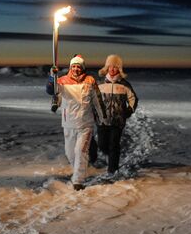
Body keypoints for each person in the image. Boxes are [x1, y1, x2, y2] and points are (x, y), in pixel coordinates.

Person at [47, 54, 106, 190]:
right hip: (69, 123)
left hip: (86, 124)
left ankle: (78, 180)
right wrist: (52, 76)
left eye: (78, 66)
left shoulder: (90, 80)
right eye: (73, 66)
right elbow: (51, 90)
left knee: (81, 151)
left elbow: (97, 100)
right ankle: (79, 170)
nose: (76, 69)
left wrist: (103, 117)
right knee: (70, 153)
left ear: (82, 68)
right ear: (70, 67)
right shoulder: (61, 81)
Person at [96, 54, 138, 175]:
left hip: (118, 121)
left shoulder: (124, 84)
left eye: (116, 67)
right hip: (102, 120)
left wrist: (128, 112)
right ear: (107, 68)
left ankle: (112, 170)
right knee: (102, 145)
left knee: (114, 145)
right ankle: (112, 157)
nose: (113, 69)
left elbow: (133, 99)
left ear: (119, 69)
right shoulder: (99, 83)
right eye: (110, 67)